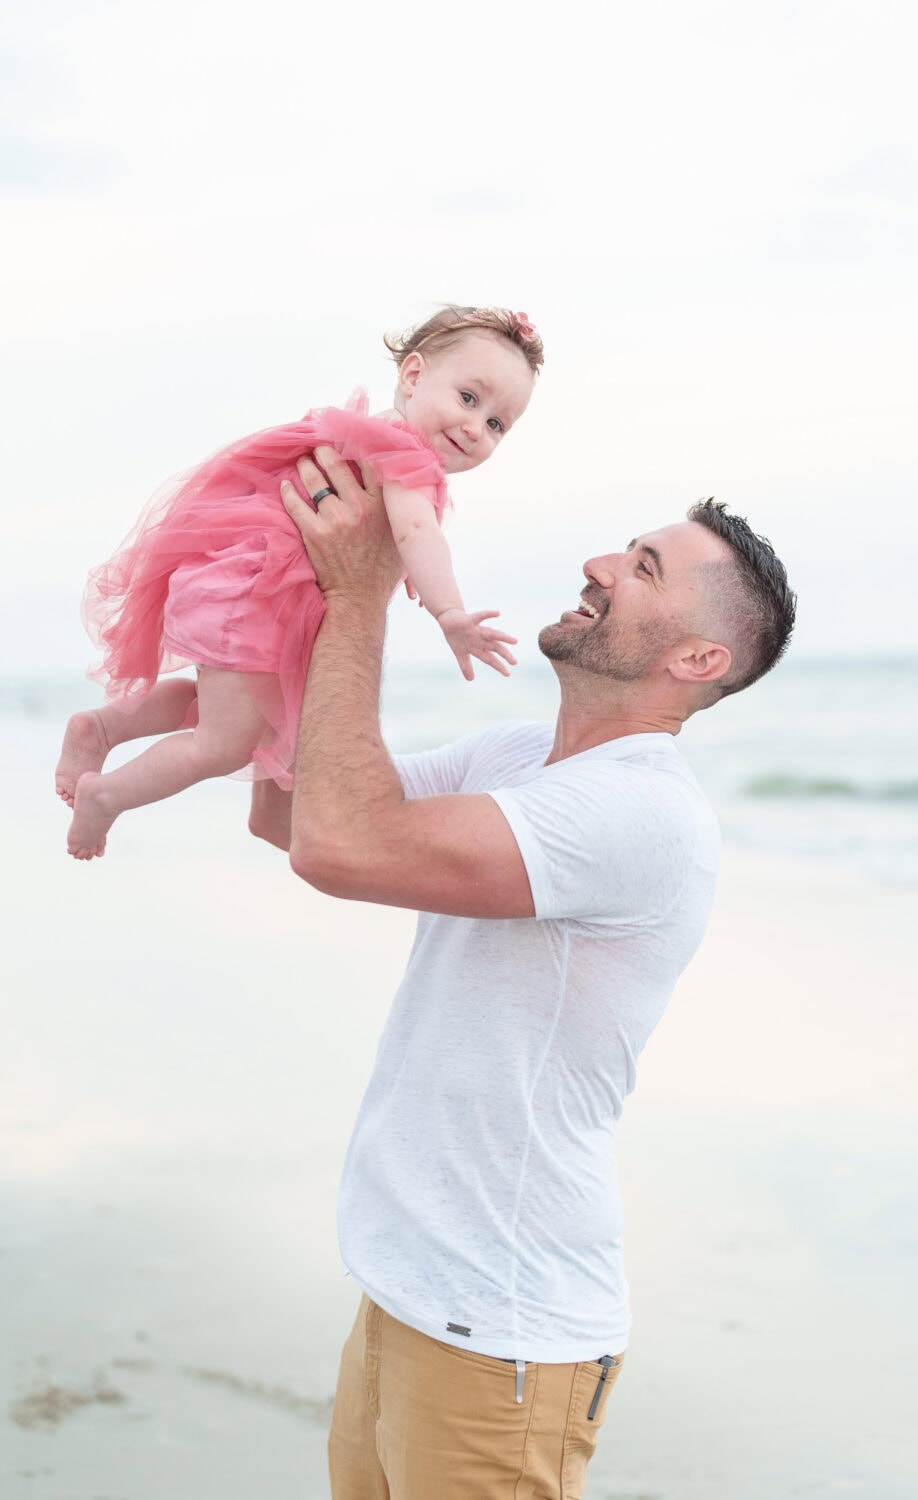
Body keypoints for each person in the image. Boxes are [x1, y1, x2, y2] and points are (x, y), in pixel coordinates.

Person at [247, 443, 797, 1499]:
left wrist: (362, 596)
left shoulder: (641, 813)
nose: (597, 564)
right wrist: (288, 603)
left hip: (502, 1331)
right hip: (406, 1289)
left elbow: (340, 847)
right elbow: (290, 810)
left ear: (696, 659)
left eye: (641, 567)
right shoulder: (513, 757)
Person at [55, 305, 543, 860]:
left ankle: (99, 730)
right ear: (413, 375)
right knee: (222, 744)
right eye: (469, 399)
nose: (475, 427)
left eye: (497, 424)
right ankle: (106, 798)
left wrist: (404, 568)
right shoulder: (408, 456)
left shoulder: (374, 430)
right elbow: (417, 533)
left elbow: (399, 537)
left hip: (235, 584)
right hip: (258, 598)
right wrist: (449, 612)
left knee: (213, 708)